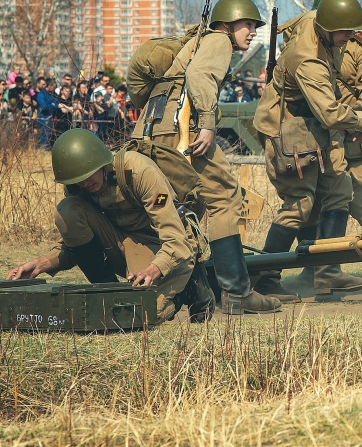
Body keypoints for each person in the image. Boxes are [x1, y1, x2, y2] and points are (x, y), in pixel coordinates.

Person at [132, 0, 283, 315]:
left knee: (190, 205)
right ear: (226, 24)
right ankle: (237, 292)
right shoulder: (218, 41)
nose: (253, 30)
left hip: (154, 128)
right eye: (246, 24)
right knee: (226, 197)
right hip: (181, 126)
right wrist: (208, 124)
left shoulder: (199, 42)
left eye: (255, 25)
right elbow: (200, 76)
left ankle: (185, 291)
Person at [5, 129, 214, 323]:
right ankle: (107, 291)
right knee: (67, 210)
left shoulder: (139, 171)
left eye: (87, 176)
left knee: (141, 315)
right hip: (124, 242)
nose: (84, 184)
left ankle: (191, 286)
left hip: (165, 246)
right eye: (78, 180)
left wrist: (154, 269)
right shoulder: (77, 187)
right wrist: (41, 263)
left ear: (101, 163)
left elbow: (175, 240)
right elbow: (79, 246)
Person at [253, 0, 362, 296]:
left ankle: (327, 273)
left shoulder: (316, 21)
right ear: (329, 29)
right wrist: (360, 120)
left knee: (339, 190)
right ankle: (265, 280)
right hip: (287, 130)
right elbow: (331, 114)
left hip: (313, 124)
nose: (350, 38)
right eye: (345, 33)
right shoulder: (308, 61)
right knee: (299, 204)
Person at [287, 28, 362, 300]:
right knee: (312, 206)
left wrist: (347, 120)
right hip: (319, 141)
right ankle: (315, 272)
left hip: (356, 143)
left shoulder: (361, 47)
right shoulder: (311, 44)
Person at [35, 77, 58, 149]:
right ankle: (42, 150)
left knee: (49, 136)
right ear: (49, 86)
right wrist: (52, 105)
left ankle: (47, 149)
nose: (54, 89)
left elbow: (56, 106)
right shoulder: (41, 95)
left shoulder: (52, 95)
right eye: (53, 87)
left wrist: (51, 106)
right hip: (43, 119)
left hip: (50, 119)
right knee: (43, 135)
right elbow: (44, 107)